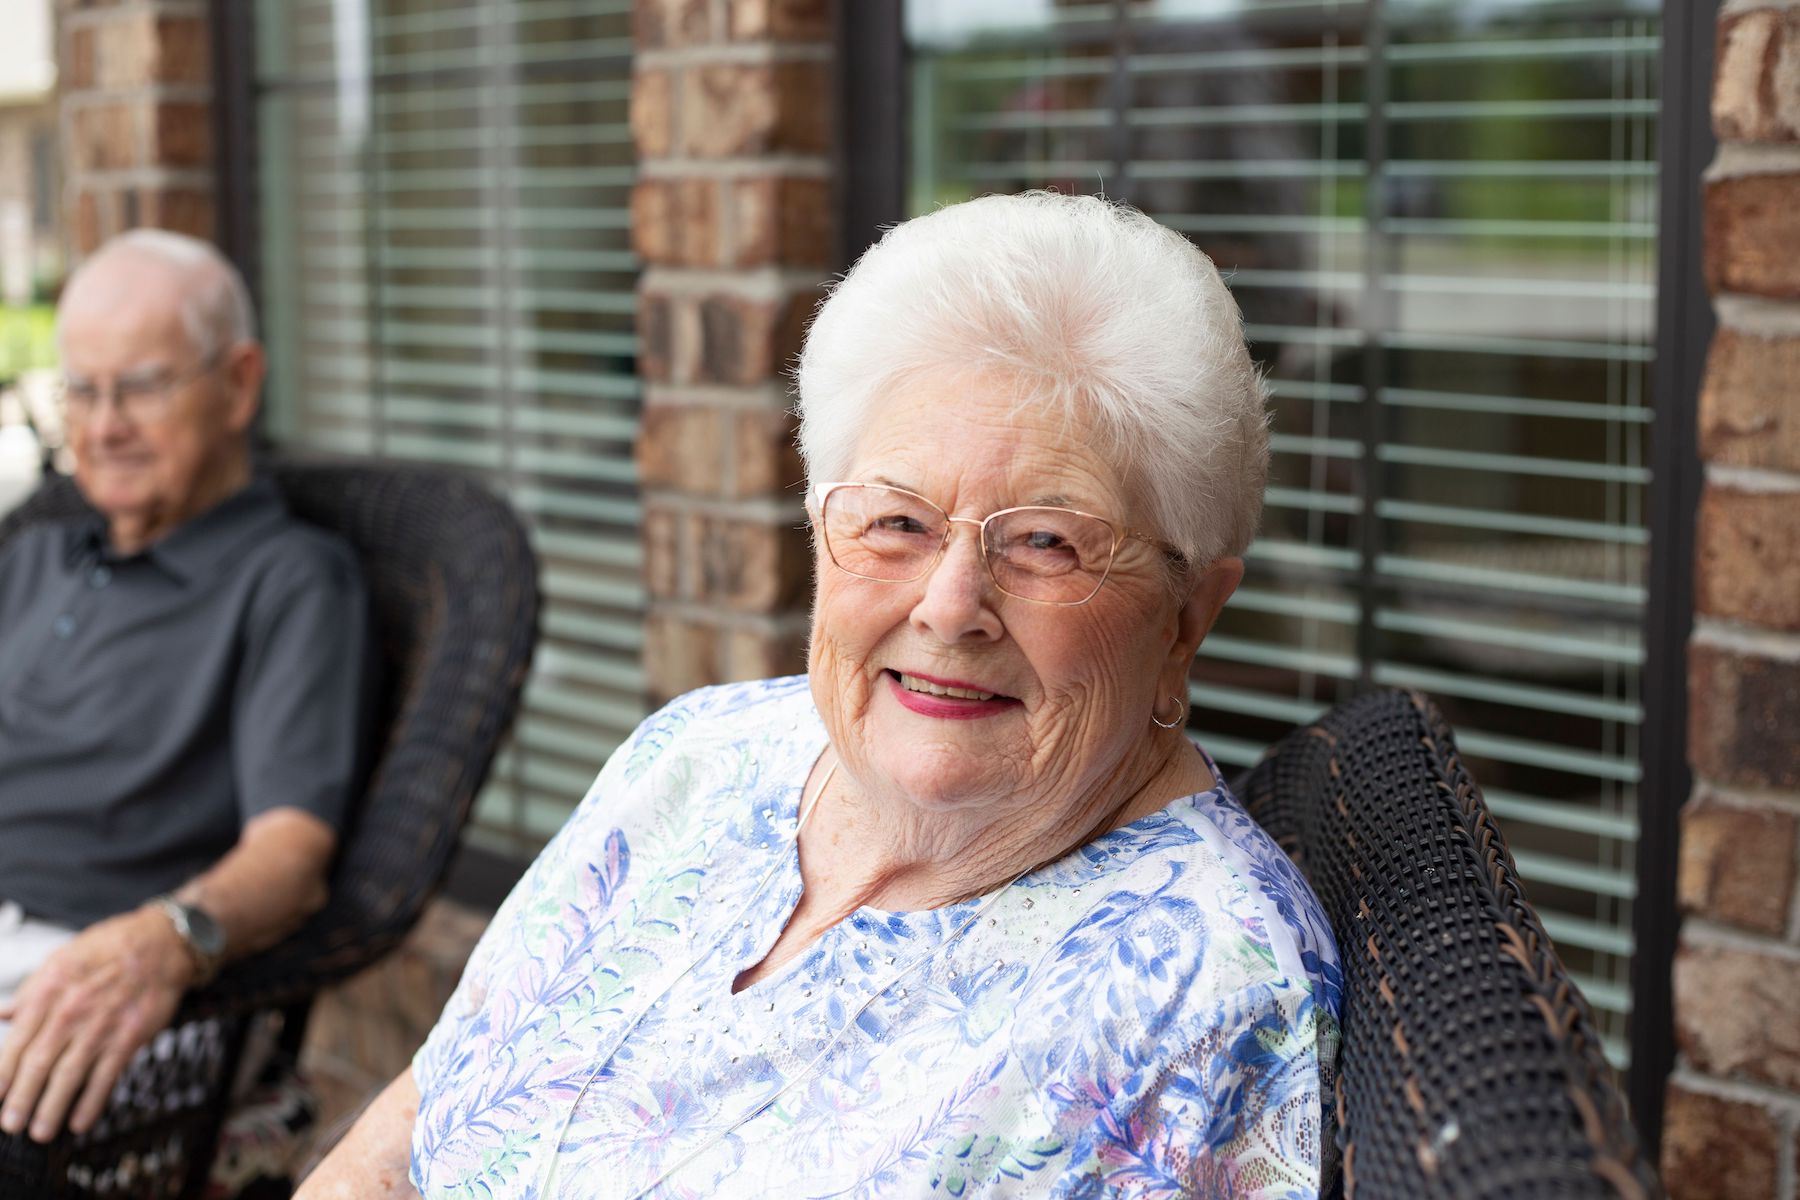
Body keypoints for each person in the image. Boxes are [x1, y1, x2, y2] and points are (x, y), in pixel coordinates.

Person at [305, 192, 1341, 1199]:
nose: (950, 606)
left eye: (1046, 541)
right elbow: (427, 1103)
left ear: (1187, 619)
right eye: (896, 522)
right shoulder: (700, 754)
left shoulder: (1200, 1000)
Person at [0, 230, 370, 1146]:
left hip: (74, 964)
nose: (103, 426)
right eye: (81, 390)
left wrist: (167, 939)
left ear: (240, 383)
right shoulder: (37, 553)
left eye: (142, 386)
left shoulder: (288, 580)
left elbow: (292, 853)